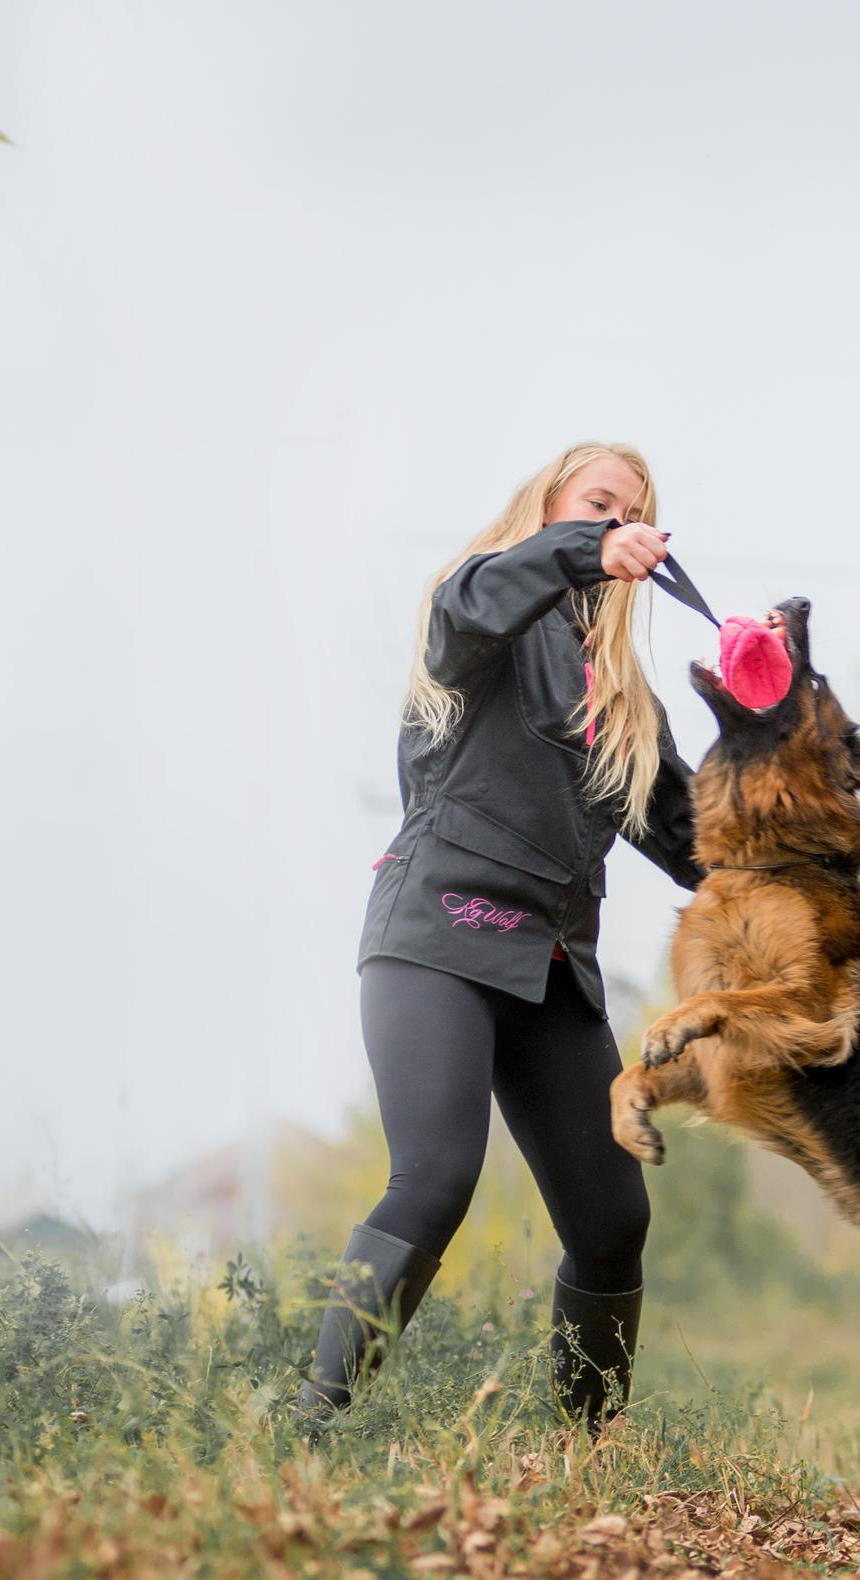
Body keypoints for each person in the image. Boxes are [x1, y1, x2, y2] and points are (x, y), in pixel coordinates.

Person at [297, 441, 704, 1432]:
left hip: (553, 967)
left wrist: (837, 908)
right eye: (598, 502)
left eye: (631, 512)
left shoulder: (621, 699)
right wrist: (586, 549)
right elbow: (471, 604)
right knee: (434, 1178)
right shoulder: (479, 604)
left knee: (613, 1219)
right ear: (553, 506)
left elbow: (702, 845)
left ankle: (585, 1457)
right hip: (439, 927)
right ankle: (308, 1427)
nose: (616, 522)